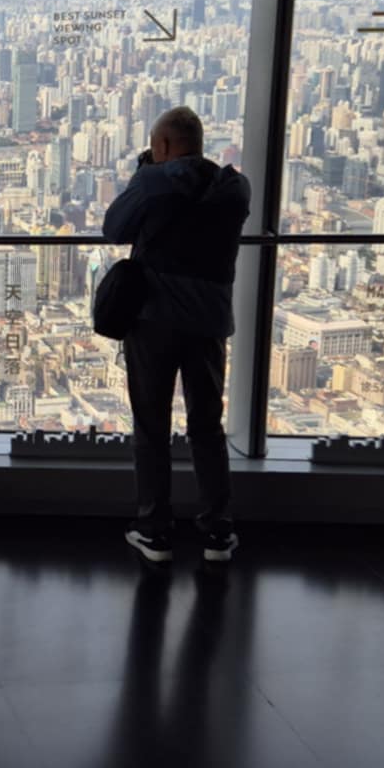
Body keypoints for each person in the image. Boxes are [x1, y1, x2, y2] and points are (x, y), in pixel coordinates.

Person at [101, 105, 250, 565]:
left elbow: (114, 228)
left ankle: (155, 530)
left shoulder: (152, 183)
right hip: (209, 324)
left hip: (154, 321)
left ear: (161, 146)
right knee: (207, 427)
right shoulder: (235, 188)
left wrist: (144, 173)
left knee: (152, 427)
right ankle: (217, 531)